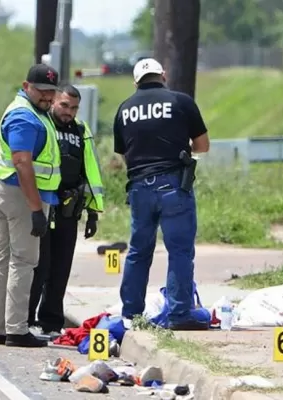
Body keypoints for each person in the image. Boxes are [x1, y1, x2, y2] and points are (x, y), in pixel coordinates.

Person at [113, 58, 210, 330]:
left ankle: (131, 314)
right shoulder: (180, 102)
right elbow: (202, 145)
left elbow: (123, 153)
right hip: (173, 185)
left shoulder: (124, 109)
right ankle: (180, 313)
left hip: (139, 187)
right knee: (179, 251)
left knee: (138, 251)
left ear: (136, 82)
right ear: (163, 75)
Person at [0, 64, 62, 348]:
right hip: (21, 196)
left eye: (51, 92)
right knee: (24, 261)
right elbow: (22, 162)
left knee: (5, 260)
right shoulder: (25, 117)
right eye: (42, 91)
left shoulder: (30, 111)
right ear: (26, 85)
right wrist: (35, 209)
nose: (47, 97)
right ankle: (16, 330)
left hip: (8, 191)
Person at [28, 84, 104, 335]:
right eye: (64, 105)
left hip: (70, 209)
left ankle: (51, 322)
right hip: (42, 203)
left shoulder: (81, 131)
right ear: (53, 102)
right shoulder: (42, 124)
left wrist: (93, 212)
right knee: (39, 266)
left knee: (61, 268)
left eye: (73, 108)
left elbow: (90, 171)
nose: (68, 112)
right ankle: (25, 320)